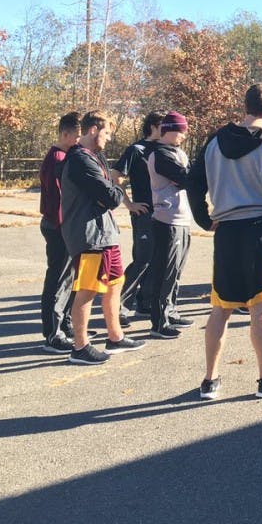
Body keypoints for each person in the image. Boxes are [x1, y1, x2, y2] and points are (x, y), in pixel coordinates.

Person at [187, 83, 262, 401]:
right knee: (259, 308)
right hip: (258, 231)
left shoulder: (213, 141)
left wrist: (202, 217)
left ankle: (209, 381)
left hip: (226, 230)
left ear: (244, 106)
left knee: (220, 308)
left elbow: (193, 182)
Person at [61, 111, 148, 365]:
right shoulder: (79, 160)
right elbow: (111, 196)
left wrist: (112, 188)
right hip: (89, 237)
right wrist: (115, 190)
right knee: (87, 290)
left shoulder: (93, 157)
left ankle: (115, 336)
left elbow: (110, 190)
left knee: (115, 283)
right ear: (92, 131)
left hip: (105, 234)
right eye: (107, 133)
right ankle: (80, 346)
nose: (109, 138)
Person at [146, 111, 195, 340]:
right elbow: (185, 178)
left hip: (182, 218)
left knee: (176, 271)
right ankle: (159, 321)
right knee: (164, 271)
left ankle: (171, 310)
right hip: (167, 220)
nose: (184, 136)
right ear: (170, 130)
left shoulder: (178, 152)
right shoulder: (161, 154)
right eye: (181, 131)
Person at [113, 110, 163, 318]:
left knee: (157, 258)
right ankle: (120, 305)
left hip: (164, 213)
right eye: (164, 125)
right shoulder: (136, 150)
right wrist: (129, 204)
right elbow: (116, 176)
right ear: (152, 126)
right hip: (143, 213)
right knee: (142, 258)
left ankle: (146, 301)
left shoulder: (166, 149)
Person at [38, 111, 81, 354]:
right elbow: (57, 200)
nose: (78, 141)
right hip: (58, 227)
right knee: (58, 280)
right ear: (65, 134)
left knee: (69, 279)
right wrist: (66, 227)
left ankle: (65, 323)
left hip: (62, 225)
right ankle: (53, 334)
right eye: (76, 136)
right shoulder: (57, 158)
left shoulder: (64, 156)